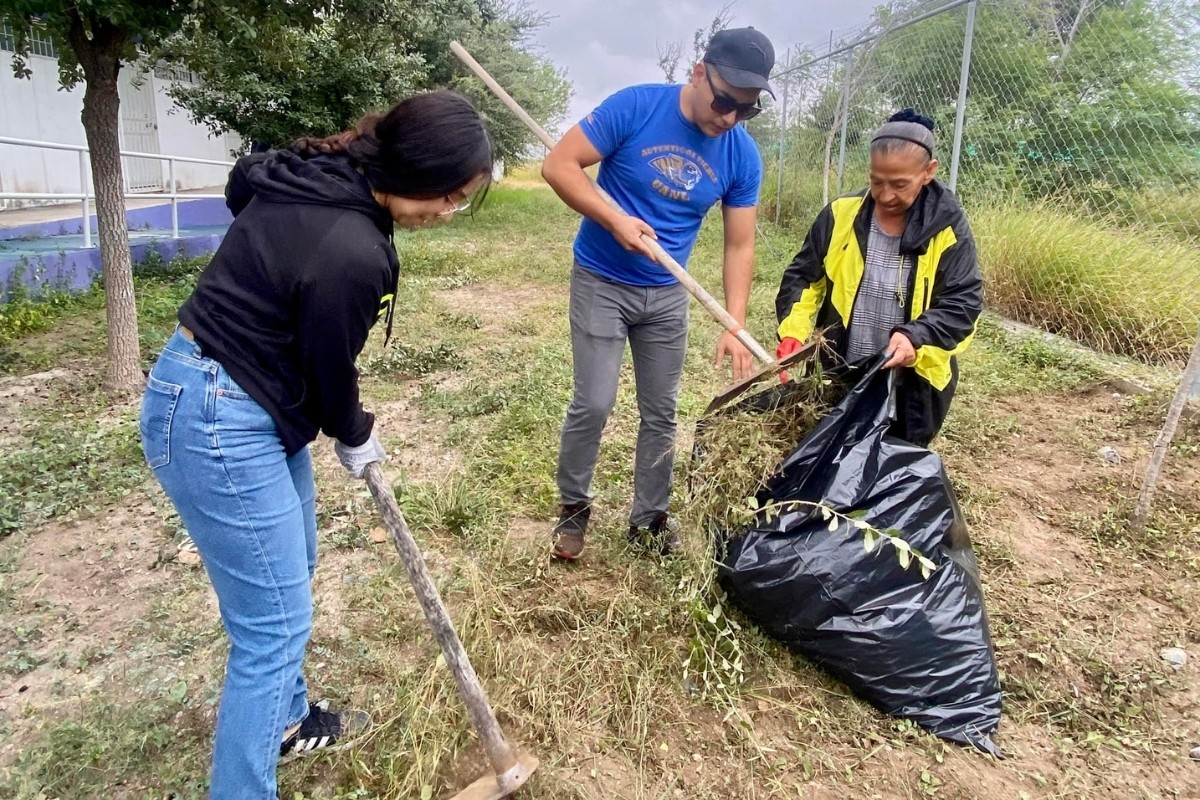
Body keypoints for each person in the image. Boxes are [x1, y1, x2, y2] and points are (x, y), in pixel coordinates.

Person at [139, 91, 493, 800]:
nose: (446, 213)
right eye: (449, 198)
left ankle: (290, 722)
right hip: (218, 415)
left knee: (291, 567)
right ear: (417, 172)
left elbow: (247, 184)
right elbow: (332, 374)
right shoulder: (352, 250)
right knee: (272, 628)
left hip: (246, 398)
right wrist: (356, 433)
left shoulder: (318, 173)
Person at [540, 26, 775, 561]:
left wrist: (734, 322)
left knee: (661, 412)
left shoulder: (741, 155)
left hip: (667, 295)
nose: (730, 118)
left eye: (746, 109)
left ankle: (648, 521)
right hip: (602, 279)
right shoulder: (636, 108)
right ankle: (573, 510)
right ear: (698, 73)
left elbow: (739, 246)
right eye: (723, 102)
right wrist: (615, 219)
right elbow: (558, 165)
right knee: (594, 402)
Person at [774, 109, 983, 448]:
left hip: (912, 386)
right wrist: (793, 333)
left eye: (900, 184)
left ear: (928, 172)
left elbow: (963, 305)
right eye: (877, 181)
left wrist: (915, 338)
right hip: (839, 370)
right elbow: (803, 278)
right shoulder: (841, 214)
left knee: (887, 475)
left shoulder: (948, 229)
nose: (885, 195)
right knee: (825, 463)